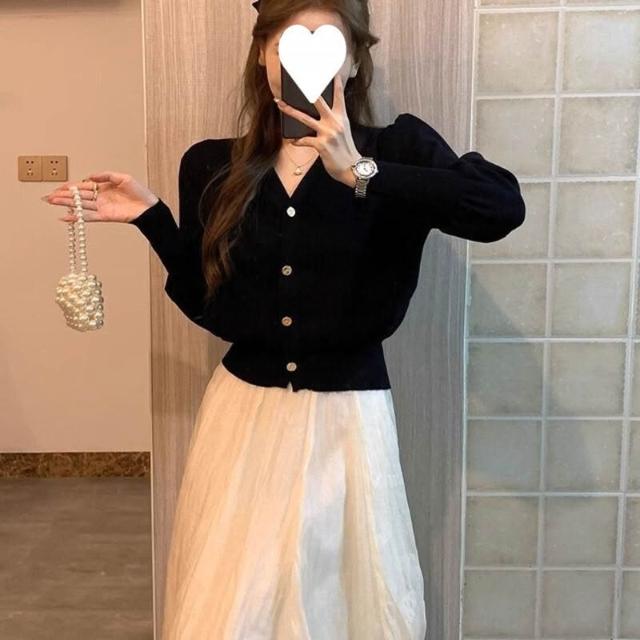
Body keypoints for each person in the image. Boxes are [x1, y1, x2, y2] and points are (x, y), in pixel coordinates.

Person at [41, 1, 525, 637]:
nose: (307, 55)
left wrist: (362, 172)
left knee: (342, 604)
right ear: (263, 56)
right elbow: (211, 304)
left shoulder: (397, 148)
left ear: (355, 61)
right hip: (242, 417)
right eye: (288, 42)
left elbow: (500, 208)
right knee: (235, 605)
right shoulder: (211, 165)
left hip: (348, 421)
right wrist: (153, 218)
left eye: (329, 41)